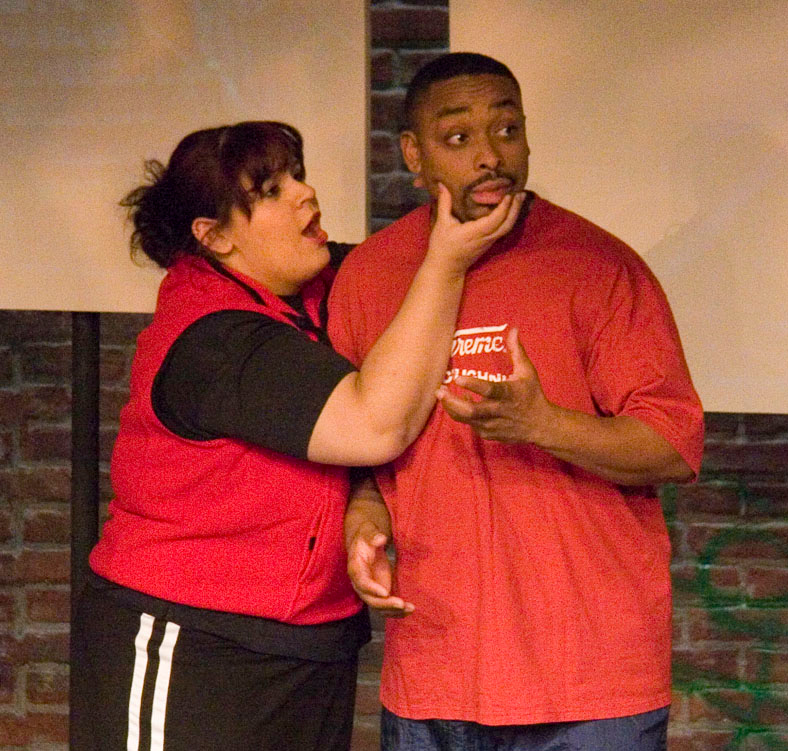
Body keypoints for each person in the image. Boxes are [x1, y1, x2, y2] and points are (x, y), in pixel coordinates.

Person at [71, 120, 525, 751]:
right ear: (216, 236)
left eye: (297, 176)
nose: (304, 194)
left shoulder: (317, 287)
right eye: (271, 191)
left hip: (307, 646)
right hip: (196, 643)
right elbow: (375, 425)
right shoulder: (215, 337)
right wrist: (446, 262)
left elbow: (394, 262)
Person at [329, 54, 705, 751]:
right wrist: (365, 518)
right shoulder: (368, 274)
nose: (490, 155)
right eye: (459, 137)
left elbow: (674, 446)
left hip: (589, 683)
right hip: (436, 671)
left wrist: (544, 424)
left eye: (507, 129)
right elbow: (362, 453)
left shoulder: (597, 265)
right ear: (413, 155)